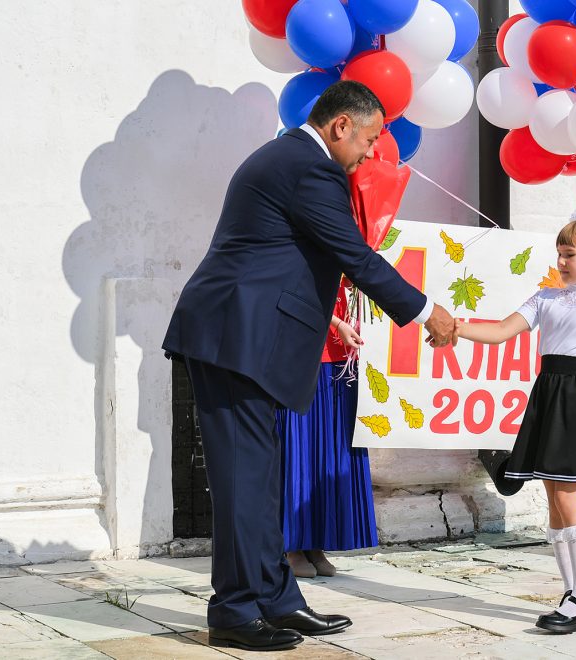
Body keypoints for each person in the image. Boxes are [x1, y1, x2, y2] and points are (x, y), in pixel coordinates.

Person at [162, 81, 456, 652]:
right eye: (369, 140)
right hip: (234, 338)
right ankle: (233, 612)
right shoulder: (309, 167)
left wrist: (326, 320)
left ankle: (276, 599)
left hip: (244, 335)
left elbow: (282, 256)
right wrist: (425, 311)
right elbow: (353, 254)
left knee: (259, 480)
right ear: (340, 125)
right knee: (244, 482)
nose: (372, 153)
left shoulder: (291, 159)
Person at [455, 205, 576, 634]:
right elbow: (502, 330)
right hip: (548, 395)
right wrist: (457, 327)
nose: (560, 261)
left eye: (569, 254)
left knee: (568, 499)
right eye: (558, 252)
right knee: (556, 501)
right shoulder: (546, 297)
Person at [279, 289, 377, 579]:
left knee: (330, 454)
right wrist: (335, 323)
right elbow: (292, 287)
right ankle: (291, 544)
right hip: (302, 346)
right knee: (299, 449)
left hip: (344, 353)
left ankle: (316, 543)